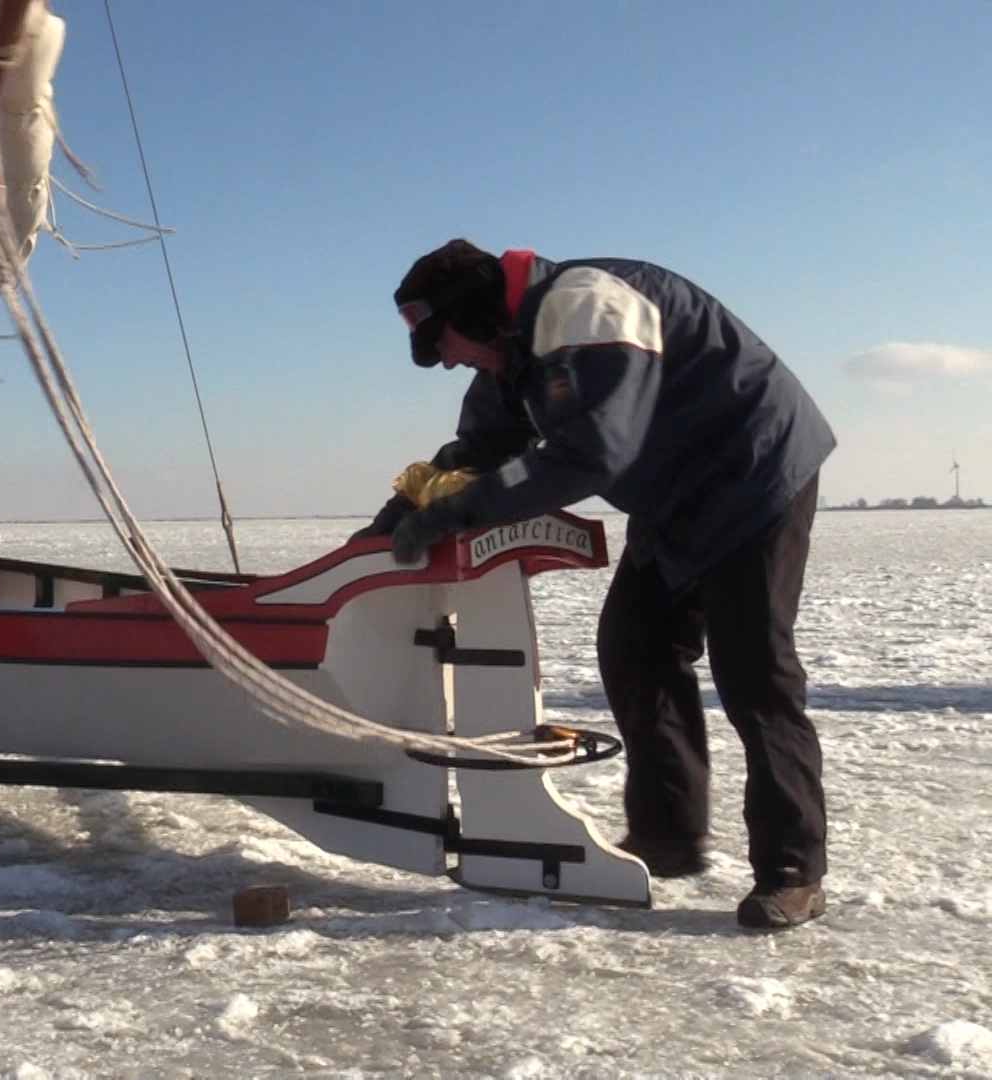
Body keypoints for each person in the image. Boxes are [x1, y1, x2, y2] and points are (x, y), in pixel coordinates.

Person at [358, 239, 836, 930]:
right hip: (673, 498)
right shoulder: (515, 349)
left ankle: (793, 870)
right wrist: (403, 513)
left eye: (446, 342)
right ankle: (667, 836)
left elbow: (591, 454)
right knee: (635, 645)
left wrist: (460, 512)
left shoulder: (586, 306)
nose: (451, 361)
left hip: (751, 478)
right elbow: (478, 450)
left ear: (477, 311)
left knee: (754, 673)